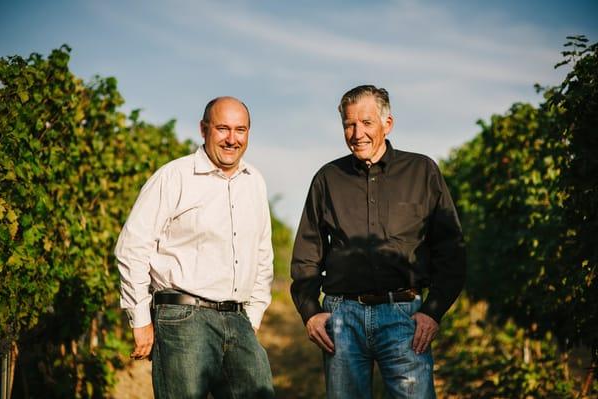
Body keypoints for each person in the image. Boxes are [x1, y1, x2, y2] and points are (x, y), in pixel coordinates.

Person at [291, 85, 466, 398]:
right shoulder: (327, 178)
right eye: (349, 124)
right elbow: (307, 252)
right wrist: (310, 310)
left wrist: (433, 310)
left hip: (404, 318)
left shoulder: (421, 171)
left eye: (366, 123)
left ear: (388, 124)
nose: (357, 133)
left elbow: (450, 248)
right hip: (342, 320)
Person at [115, 96, 275, 398]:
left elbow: (262, 253)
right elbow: (132, 247)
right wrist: (141, 320)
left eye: (240, 130)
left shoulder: (255, 182)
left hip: (238, 320)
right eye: (222, 129)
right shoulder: (174, 176)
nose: (232, 139)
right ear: (204, 130)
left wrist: (252, 317)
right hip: (182, 319)